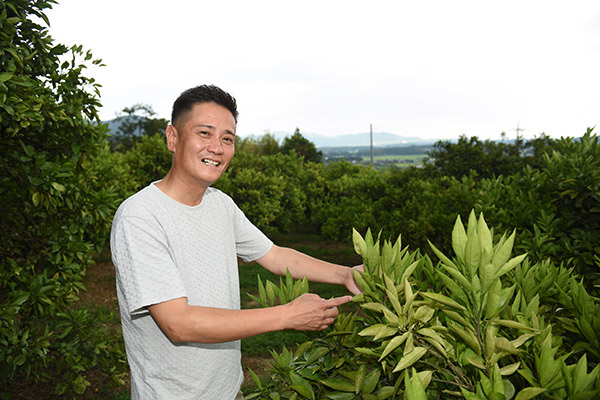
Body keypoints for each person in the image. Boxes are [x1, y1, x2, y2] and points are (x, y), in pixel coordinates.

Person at [110, 84, 363, 400]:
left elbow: (273, 255)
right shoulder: (140, 216)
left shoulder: (220, 205)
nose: (217, 147)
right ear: (172, 137)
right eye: (205, 133)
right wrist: (287, 315)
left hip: (229, 392)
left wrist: (344, 274)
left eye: (227, 139)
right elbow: (178, 323)